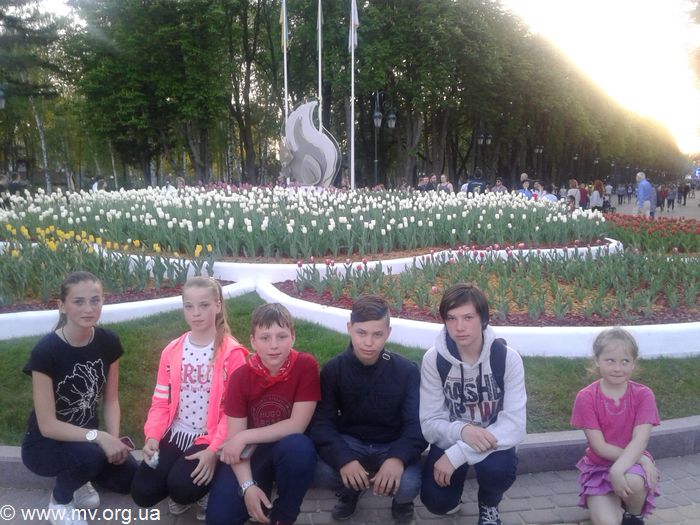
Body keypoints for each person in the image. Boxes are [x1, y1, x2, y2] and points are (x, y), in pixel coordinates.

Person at [21, 271, 137, 525]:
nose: (89, 309)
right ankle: (60, 501)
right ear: (62, 305)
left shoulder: (108, 342)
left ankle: (80, 477)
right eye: (79, 301)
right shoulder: (46, 351)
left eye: (95, 300)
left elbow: (111, 400)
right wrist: (101, 438)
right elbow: (47, 425)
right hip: (45, 444)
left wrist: (113, 440)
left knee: (131, 481)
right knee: (89, 457)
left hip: (87, 439)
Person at [131, 277, 249, 519]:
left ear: (218, 305)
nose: (196, 313)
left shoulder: (232, 354)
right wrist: (153, 436)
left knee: (182, 488)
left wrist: (214, 451)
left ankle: (206, 488)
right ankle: (180, 481)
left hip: (210, 436)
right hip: (177, 432)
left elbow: (234, 411)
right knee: (143, 492)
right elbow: (160, 400)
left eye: (204, 305)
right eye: (189, 306)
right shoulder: (172, 351)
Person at [308, 295, 427, 523]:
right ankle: (350, 491)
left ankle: (402, 502)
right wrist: (344, 460)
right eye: (361, 333)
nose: (368, 342)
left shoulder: (407, 371)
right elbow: (322, 423)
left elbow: (417, 424)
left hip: (391, 442)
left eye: (377, 334)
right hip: (352, 441)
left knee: (408, 484)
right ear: (349, 328)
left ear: (388, 333)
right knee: (319, 471)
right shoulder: (333, 370)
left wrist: (397, 458)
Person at [419, 284, 526, 525]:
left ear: (484, 319)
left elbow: (515, 424)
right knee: (437, 502)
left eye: (468, 317)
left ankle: (489, 503)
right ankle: (452, 495)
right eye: (451, 318)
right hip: (452, 436)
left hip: (493, 440)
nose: (459, 327)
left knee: (498, 471)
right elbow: (430, 421)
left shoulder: (507, 358)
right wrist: (462, 432)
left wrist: (458, 454)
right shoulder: (434, 360)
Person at [207, 303, 321, 525]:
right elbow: (235, 445)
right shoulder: (241, 377)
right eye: (265, 337)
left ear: (293, 337)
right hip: (251, 454)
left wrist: (244, 436)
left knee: (299, 448)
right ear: (253, 341)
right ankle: (259, 491)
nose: (274, 345)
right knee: (219, 519)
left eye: (282, 336)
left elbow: (297, 425)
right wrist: (247, 486)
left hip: (287, 449)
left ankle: (283, 516)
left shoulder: (305, 366)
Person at [571, 328, 660, 525]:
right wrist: (643, 460)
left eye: (625, 361)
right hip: (599, 467)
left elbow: (641, 439)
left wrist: (620, 468)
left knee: (633, 481)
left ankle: (633, 515)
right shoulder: (586, 397)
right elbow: (599, 446)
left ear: (634, 363)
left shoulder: (643, 395)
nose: (618, 368)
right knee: (606, 522)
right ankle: (611, 502)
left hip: (631, 462)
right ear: (597, 360)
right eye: (610, 360)